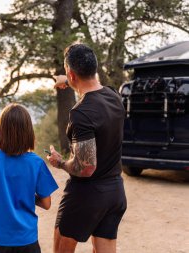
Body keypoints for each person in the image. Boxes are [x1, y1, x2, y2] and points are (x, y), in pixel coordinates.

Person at [47, 44, 127, 253]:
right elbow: (93, 84)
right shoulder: (114, 97)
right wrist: (68, 78)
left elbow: (86, 167)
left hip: (86, 195)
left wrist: (60, 163)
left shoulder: (81, 113)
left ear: (72, 74)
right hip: (115, 193)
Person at [0, 103, 59, 253]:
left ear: (0, 131)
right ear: (28, 132)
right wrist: (28, 196)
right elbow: (46, 203)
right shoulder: (36, 163)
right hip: (27, 239)